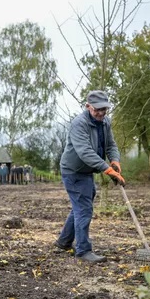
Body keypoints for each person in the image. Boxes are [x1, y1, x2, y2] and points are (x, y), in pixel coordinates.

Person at [55, 90, 126, 264]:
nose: (101, 113)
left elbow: (110, 144)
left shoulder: (105, 122)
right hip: (73, 171)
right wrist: (106, 169)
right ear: (88, 107)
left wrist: (115, 161)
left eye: (104, 109)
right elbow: (85, 152)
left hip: (86, 171)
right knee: (83, 209)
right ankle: (83, 250)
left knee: (80, 206)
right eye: (97, 109)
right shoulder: (79, 124)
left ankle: (64, 241)